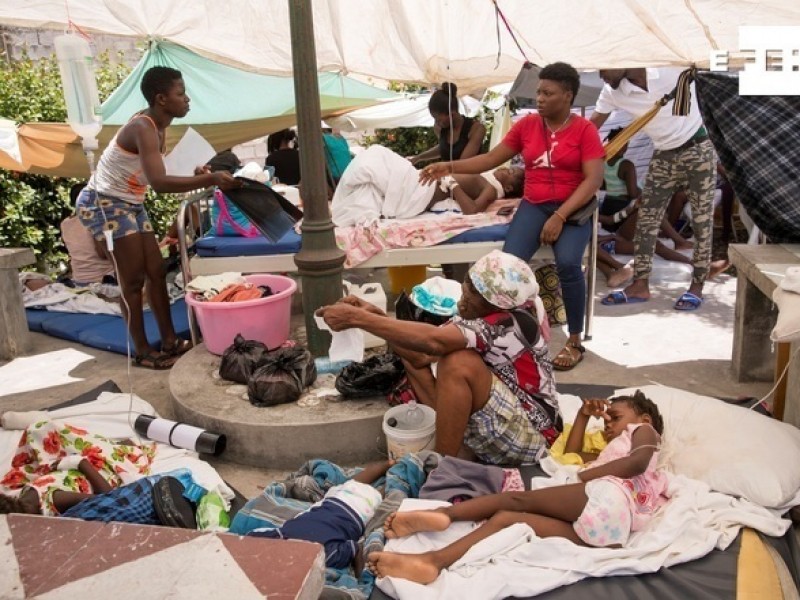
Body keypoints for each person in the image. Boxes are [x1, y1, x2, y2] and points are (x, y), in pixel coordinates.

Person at [367, 391, 668, 585]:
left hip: (606, 500)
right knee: (507, 519)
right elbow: (572, 455)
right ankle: (432, 562)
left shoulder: (643, 431)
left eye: (615, 418)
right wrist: (583, 417)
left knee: (516, 499)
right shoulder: (611, 453)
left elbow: (637, 463)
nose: (609, 426)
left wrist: (584, 479)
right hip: (610, 534)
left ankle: (445, 513)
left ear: (643, 419)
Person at [420, 62, 605, 371]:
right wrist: (447, 167)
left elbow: (592, 180)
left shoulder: (585, 130)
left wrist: (559, 216)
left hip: (572, 209)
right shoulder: (528, 126)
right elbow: (491, 158)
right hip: (534, 205)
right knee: (506, 266)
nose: (540, 98)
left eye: (548, 93)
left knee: (570, 265)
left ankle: (574, 341)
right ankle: (498, 332)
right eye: (539, 92)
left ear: (568, 96)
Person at [320, 250, 560, 466]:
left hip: (532, 434)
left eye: (476, 292)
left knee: (457, 364)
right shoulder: (474, 317)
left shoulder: (513, 322)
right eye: (468, 281)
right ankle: (459, 449)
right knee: (411, 356)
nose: (465, 293)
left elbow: (436, 341)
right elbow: (423, 354)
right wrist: (372, 315)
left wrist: (357, 319)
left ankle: (443, 468)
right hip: (498, 423)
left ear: (497, 305)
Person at [76, 66, 240, 369]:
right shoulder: (143, 127)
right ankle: (141, 350)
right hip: (104, 203)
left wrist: (196, 173)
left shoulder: (157, 128)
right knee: (133, 278)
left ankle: (169, 341)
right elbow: (161, 184)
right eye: (181, 94)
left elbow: (158, 173)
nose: (187, 99)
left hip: (129, 202)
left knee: (156, 268)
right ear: (161, 98)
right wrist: (211, 179)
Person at [590, 68, 716, 311]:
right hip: (663, 154)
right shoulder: (612, 92)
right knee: (647, 221)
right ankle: (640, 285)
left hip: (698, 147)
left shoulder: (672, 68)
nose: (600, 74)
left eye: (604, 67)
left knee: (702, 221)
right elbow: (589, 128)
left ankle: (697, 287)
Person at [247, 460, 393, 570]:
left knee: (380, 495)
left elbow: (352, 548)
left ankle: (394, 480)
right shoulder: (281, 536)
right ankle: (389, 463)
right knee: (355, 482)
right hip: (333, 500)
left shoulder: (326, 555)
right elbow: (251, 537)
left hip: (360, 513)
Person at [331, 145, 524, 225]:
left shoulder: (491, 190)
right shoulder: (486, 175)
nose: (507, 169)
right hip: (421, 183)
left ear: (507, 188)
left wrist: (452, 184)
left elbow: (472, 211)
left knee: (376, 157)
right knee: (375, 156)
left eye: (511, 173)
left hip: (421, 193)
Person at [409, 83, 487, 165]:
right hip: (447, 175)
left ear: (451, 114)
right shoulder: (439, 128)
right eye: (434, 119)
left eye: (439, 120)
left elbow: (462, 165)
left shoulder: (476, 129)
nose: (437, 123)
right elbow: (443, 148)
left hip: (470, 176)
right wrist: (418, 158)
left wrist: (438, 168)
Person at [60, 183, 116, 285]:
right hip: (103, 280)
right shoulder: (97, 220)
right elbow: (103, 254)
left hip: (79, 279)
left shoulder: (65, 224)